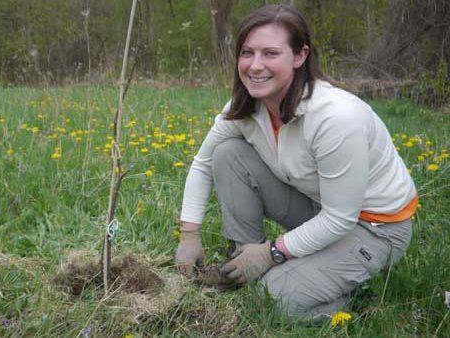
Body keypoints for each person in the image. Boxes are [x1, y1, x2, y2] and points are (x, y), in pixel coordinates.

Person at [175, 4, 417, 320]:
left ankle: (346, 301)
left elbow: (340, 219)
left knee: (269, 301)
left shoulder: (335, 118)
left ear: (300, 56)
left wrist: (272, 253)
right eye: (247, 53)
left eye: (271, 54)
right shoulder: (245, 105)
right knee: (228, 153)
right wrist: (189, 234)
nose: (255, 65)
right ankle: (241, 262)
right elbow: (204, 163)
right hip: (318, 206)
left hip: (374, 226)